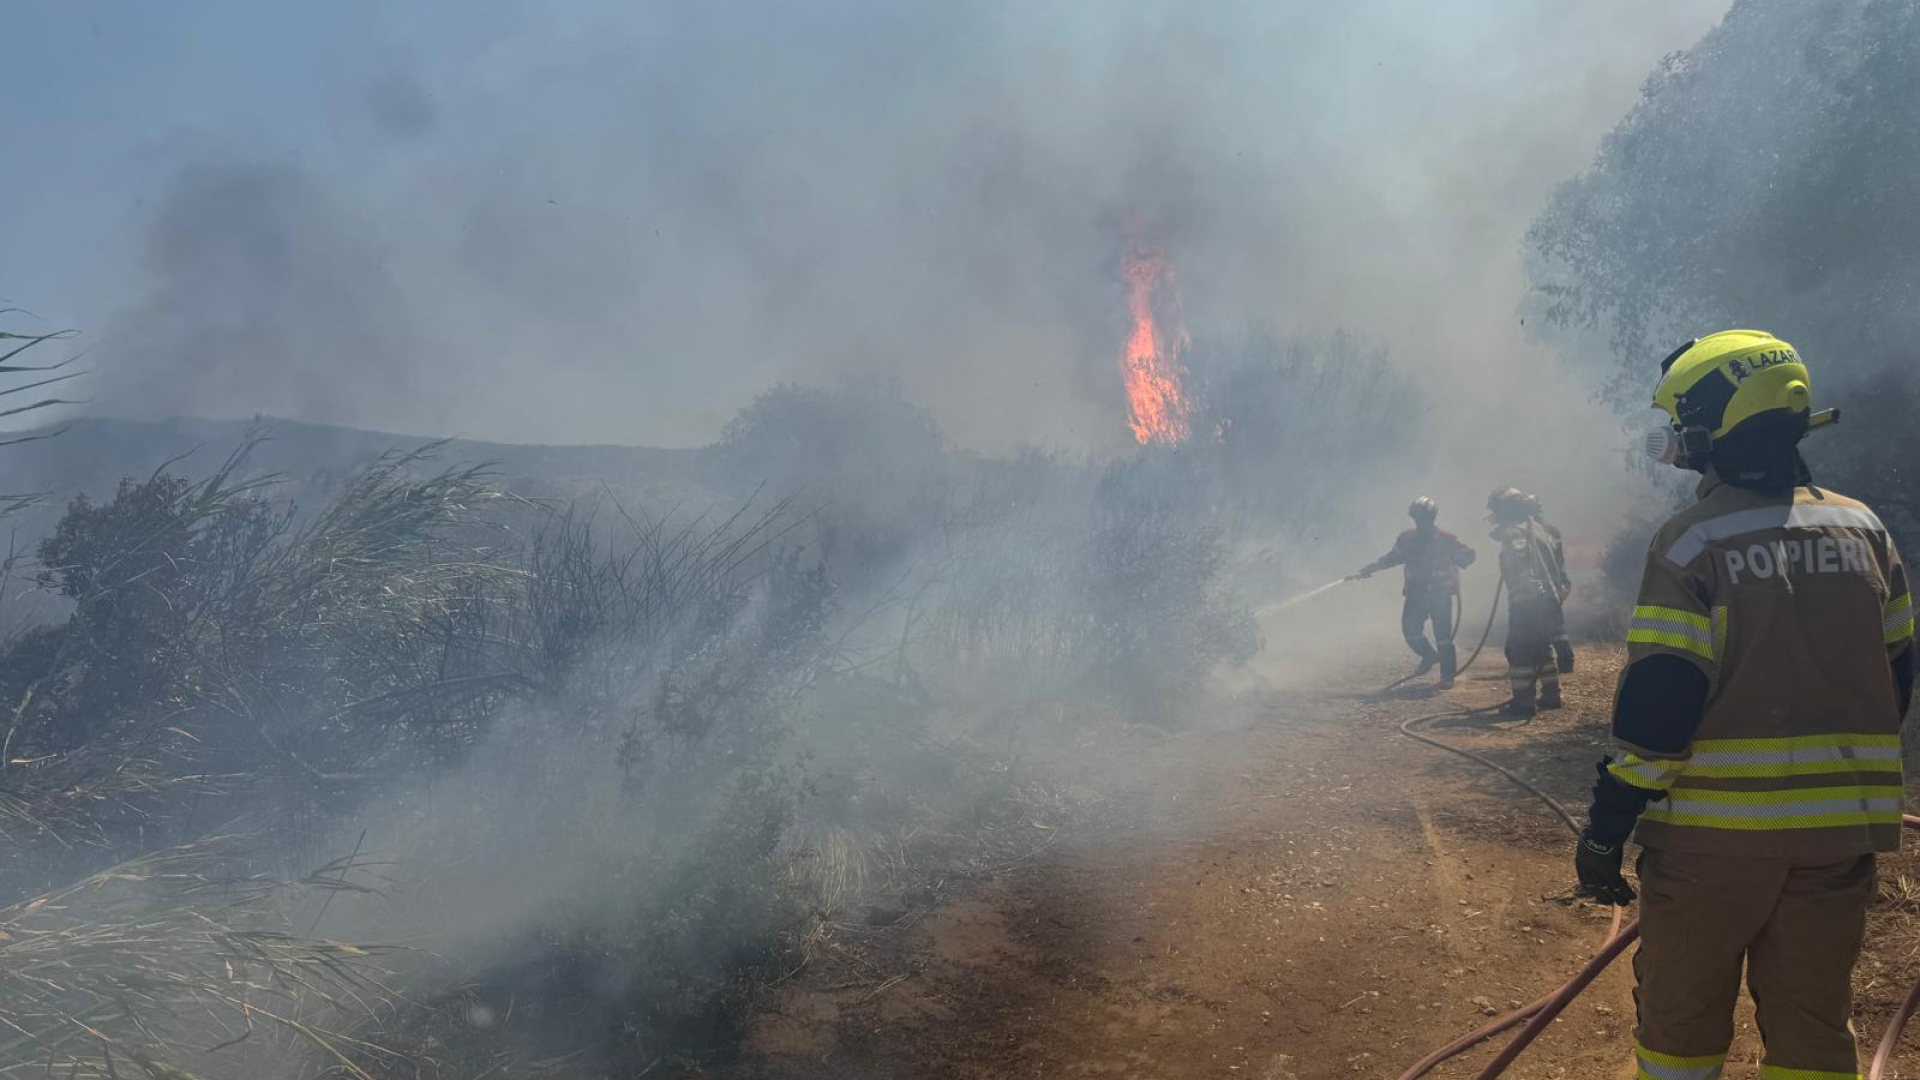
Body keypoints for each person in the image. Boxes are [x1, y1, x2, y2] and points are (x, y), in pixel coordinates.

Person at [1573, 329, 1913, 1080]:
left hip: (1708, 848)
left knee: (1681, 1033)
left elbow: (1661, 707)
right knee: (1815, 1032)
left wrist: (1606, 827)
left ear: (1713, 427)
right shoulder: (1864, 530)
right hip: (1835, 843)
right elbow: (1895, 679)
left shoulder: (1693, 542)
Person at [1355, 497, 1475, 683]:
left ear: (1432, 517)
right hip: (1415, 594)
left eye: (1424, 518)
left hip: (1440, 595)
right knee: (1410, 631)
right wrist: (1373, 567)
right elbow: (1393, 557)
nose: (1421, 522)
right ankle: (1428, 655)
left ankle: (1447, 677)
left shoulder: (1446, 539)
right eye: (1417, 518)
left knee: (1443, 636)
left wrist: (1463, 556)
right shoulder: (1406, 538)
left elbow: (1467, 556)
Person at [1488, 486, 1567, 716]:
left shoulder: (1515, 533)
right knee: (1542, 647)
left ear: (1508, 510)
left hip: (1527, 601)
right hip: (1548, 600)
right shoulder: (1541, 530)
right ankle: (1552, 696)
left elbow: (1522, 563)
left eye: (1498, 510)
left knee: (1518, 650)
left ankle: (1523, 703)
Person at [1521, 492, 1576, 673]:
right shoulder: (1549, 530)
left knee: (1550, 623)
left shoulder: (1534, 532)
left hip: (1546, 582)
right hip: (1556, 580)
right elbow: (1558, 560)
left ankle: (1561, 660)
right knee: (1555, 623)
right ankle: (1565, 660)